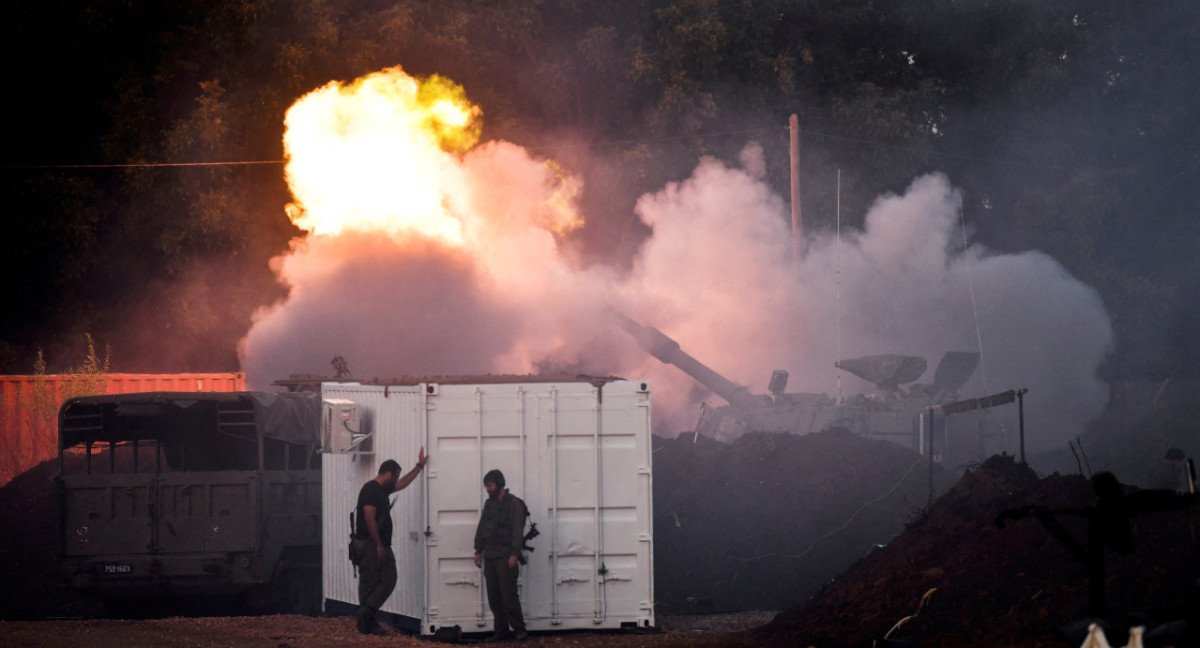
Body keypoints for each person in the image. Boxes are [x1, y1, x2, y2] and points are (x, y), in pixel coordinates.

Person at [353, 449, 426, 635]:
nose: (396, 479)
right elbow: (369, 518)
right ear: (387, 473)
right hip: (370, 544)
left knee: (388, 578)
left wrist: (419, 466)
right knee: (370, 581)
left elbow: (403, 483)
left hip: (378, 544)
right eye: (395, 476)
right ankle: (368, 622)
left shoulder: (382, 489)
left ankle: (366, 615)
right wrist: (378, 544)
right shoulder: (371, 489)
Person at [473, 469, 529, 642]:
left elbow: (517, 532)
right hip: (490, 555)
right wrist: (478, 551)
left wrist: (514, 554)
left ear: (498, 484)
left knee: (508, 595)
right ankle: (501, 631)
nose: (487, 490)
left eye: (489, 486)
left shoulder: (514, 504)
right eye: (486, 487)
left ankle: (520, 630)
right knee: (494, 596)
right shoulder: (489, 505)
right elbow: (482, 528)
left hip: (505, 556)